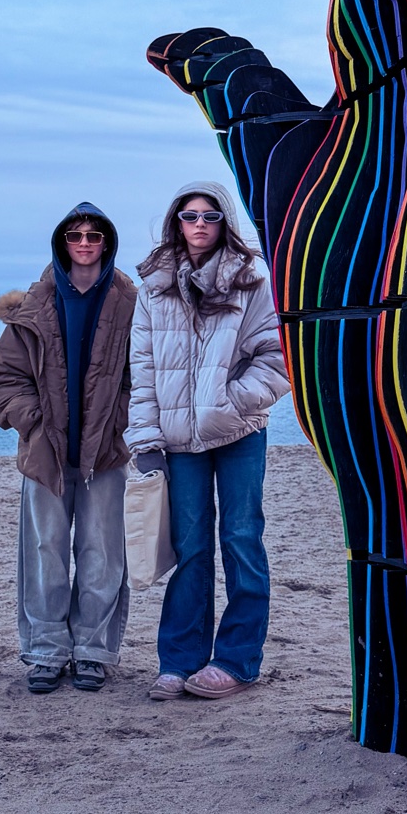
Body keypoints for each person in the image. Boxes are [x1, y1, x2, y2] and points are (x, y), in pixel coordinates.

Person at [127, 180, 290, 701]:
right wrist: (145, 439)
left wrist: (231, 401)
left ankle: (237, 661)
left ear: (225, 223)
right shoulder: (153, 287)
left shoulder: (252, 280)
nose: (199, 224)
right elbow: (143, 371)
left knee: (241, 540)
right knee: (190, 547)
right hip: (178, 441)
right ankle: (180, 661)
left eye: (210, 216)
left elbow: (278, 357)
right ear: (177, 221)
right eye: (190, 215)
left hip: (240, 431)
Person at [0, 202, 136, 694]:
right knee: (44, 552)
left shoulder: (132, 303)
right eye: (76, 235)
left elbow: (146, 376)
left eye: (94, 235)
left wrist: (118, 423)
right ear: (62, 243)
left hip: (106, 452)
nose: (85, 243)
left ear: (107, 242)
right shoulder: (32, 306)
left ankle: (93, 651)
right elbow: (4, 379)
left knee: (102, 553)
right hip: (45, 454)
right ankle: (46, 652)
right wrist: (34, 422)